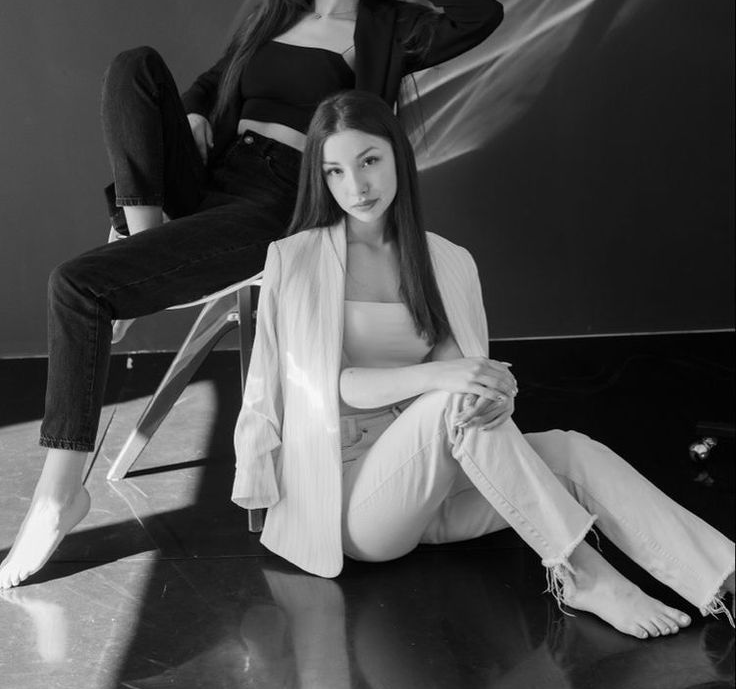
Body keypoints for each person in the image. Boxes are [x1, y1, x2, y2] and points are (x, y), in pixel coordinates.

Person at [0, 0, 503, 590]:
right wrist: (202, 114)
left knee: (75, 287)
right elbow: (210, 81)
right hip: (212, 180)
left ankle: (58, 494)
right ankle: (141, 232)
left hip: (277, 203)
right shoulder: (274, 16)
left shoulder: (385, 30)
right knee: (134, 67)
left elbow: (479, 14)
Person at [231, 90, 735, 640]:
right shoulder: (296, 258)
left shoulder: (445, 259)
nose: (356, 186)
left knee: (572, 450)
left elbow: (464, 369)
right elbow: (325, 388)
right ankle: (584, 576)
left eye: (369, 160)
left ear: (398, 156)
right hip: (353, 503)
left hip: (438, 488)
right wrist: (446, 379)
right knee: (451, 398)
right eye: (335, 171)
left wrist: (494, 390)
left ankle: (724, 573)